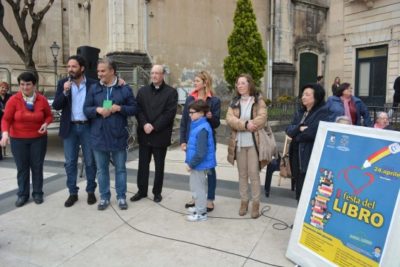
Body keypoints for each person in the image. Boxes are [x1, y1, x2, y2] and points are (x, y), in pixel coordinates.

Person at [84, 57, 137, 210]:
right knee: (101, 170)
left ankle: (121, 197)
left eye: (103, 71)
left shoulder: (124, 89)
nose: (99, 74)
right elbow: (86, 110)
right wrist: (97, 110)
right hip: (98, 136)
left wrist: (120, 108)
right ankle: (104, 197)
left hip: (118, 135)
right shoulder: (93, 88)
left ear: (112, 71)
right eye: (98, 71)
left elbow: (134, 108)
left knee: (120, 169)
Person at [0, 72, 53, 207]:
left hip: (38, 139)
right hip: (18, 139)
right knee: (22, 168)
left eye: (28, 84)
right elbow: (6, 119)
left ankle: (37, 193)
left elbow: (49, 116)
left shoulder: (42, 100)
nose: (25, 87)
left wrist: (46, 124)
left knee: (37, 166)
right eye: (22, 84)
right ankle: (22, 194)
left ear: (34, 85)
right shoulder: (13, 100)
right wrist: (5, 134)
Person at [52, 55, 98, 207]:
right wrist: (65, 92)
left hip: (87, 127)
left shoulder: (93, 84)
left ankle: (91, 190)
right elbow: (57, 106)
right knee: (70, 162)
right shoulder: (62, 84)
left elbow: (102, 98)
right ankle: (73, 192)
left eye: (73, 67)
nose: (70, 70)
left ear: (82, 68)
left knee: (90, 161)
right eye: (68, 67)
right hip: (69, 127)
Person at [130, 64, 178, 203]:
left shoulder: (171, 92)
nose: (154, 76)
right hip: (145, 134)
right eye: (152, 73)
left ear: (163, 75)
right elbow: (138, 109)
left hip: (160, 134)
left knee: (159, 166)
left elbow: (169, 113)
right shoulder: (143, 91)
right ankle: (142, 191)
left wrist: (154, 126)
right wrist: (145, 124)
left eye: (157, 73)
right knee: (143, 165)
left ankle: (157, 192)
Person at [226, 73, 267, 219]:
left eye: (243, 83)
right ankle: (244, 201)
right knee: (242, 175)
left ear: (249, 84)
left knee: (254, 174)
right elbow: (229, 119)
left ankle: (256, 203)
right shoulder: (234, 102)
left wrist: (252, 123)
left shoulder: (258, 100)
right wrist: (245, 124)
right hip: (239, 144)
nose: (240, 86)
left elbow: (262, 117)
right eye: (238, 83)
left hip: (254, 144)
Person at [180, 71, 220, 212]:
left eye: (197, 80)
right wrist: (183, 140)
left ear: (205, 83)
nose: (194, 83)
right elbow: (184, 121)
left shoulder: (214, 100)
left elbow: (216, 123)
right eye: (194, 81)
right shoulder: (190, 99)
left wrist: (210, 116)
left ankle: (209, 199)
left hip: (205, 139)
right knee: (195, 170)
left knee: (209, 169)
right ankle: (197, 198)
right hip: (191, 139)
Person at [286, 83, 330, 201]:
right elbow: (289, 130)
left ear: (316, 97)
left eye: (307, 94)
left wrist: (296, 136)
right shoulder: (300, 112)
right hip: (296, 155)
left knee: (308, 192)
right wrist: (299, 128)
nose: (303, 97)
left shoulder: (322, 112)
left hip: (309, 156)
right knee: (299, 190)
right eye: (303, 94)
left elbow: (311, 133)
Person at [185, 100, 216, 222]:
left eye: (192, 112)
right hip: (197, 164)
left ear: (201, 113)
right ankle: (199, 207)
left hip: (199, 165)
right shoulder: (198, 125)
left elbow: (201, 152)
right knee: (196, 187)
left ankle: (201, 213)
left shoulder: (202, 128)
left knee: (199, 189)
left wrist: (191, 164)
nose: (190, 115)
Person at [0, 81, 12, 160]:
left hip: (6, 118)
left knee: (3, 136)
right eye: (2, 87)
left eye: (6, 88)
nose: (4, 89)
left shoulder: (9, 96)